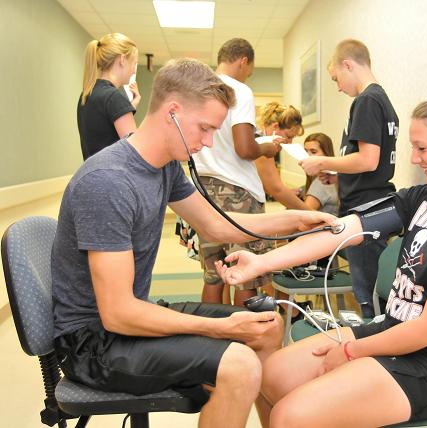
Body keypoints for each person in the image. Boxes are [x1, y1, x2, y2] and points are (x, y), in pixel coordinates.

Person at [51, 58, 336, 428]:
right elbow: (117, 313)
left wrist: (298, 220)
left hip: (127, 321)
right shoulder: (109, 182)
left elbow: (217, 225)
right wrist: (222, 329)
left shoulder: (163, 166)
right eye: (204, 129)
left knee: (266, 325)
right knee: (240, 363)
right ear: (172, 112)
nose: (206, 143)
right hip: (94, 344)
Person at [217, 91, 427, 426]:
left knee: (290, 416)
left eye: (422, 148)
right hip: (391, 330)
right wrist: (262, 263)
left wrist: (350, 352)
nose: (415, 159)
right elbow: (343, 229)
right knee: (269, 374)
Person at [299, 39, 399, 318]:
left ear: (348, 65)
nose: (338, 86)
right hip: (372, 202)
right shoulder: (382, 100)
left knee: (368, 298)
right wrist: (337, 169)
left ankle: (368, 352)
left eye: (336, 79)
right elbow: (366, 160)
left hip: (365, 208)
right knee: (370, 291)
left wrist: (323, 161)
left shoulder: (367, 100)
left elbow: (368, 160)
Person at [192, 38, 281, 306]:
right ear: (243, 61)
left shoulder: (197, 90)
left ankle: (209, 341)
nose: (247, 76)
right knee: (244, 274)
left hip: (203, 193)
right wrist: (266, 148)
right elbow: (244, 147)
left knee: (213, 275)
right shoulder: (239, 90)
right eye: (249, 71)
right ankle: (243, 340)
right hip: (237, 193)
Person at [78, 33, 141, 160]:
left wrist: (130, 106)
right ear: (122, 60)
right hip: (115, 177)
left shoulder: (87, 94)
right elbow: (135, 152)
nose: (134, 71)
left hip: (94, 174)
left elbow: (104, 129)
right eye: (134, 63)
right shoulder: (114, 97)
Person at [255, 102, 309, 210]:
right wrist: (312, 213)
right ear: (275, 126)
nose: (289, 142)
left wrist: (287, 192)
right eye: (288, 136)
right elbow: (275, 189)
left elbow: (265, 182)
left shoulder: (256, 139)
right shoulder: (264, 143)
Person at [302, 133, 339, 215]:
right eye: (305, 152)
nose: (307, 157)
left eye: (313, 152)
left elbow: (305, 215)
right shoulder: (334, 176)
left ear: (326, 154)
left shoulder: (322, 182)